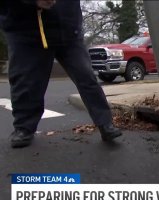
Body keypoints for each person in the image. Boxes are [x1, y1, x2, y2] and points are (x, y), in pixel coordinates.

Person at [0, 0, 122, 148]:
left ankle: (105, 123)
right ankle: (23, 128)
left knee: (86, 77)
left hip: (67, 29)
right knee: (26, 83)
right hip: (26, 32)